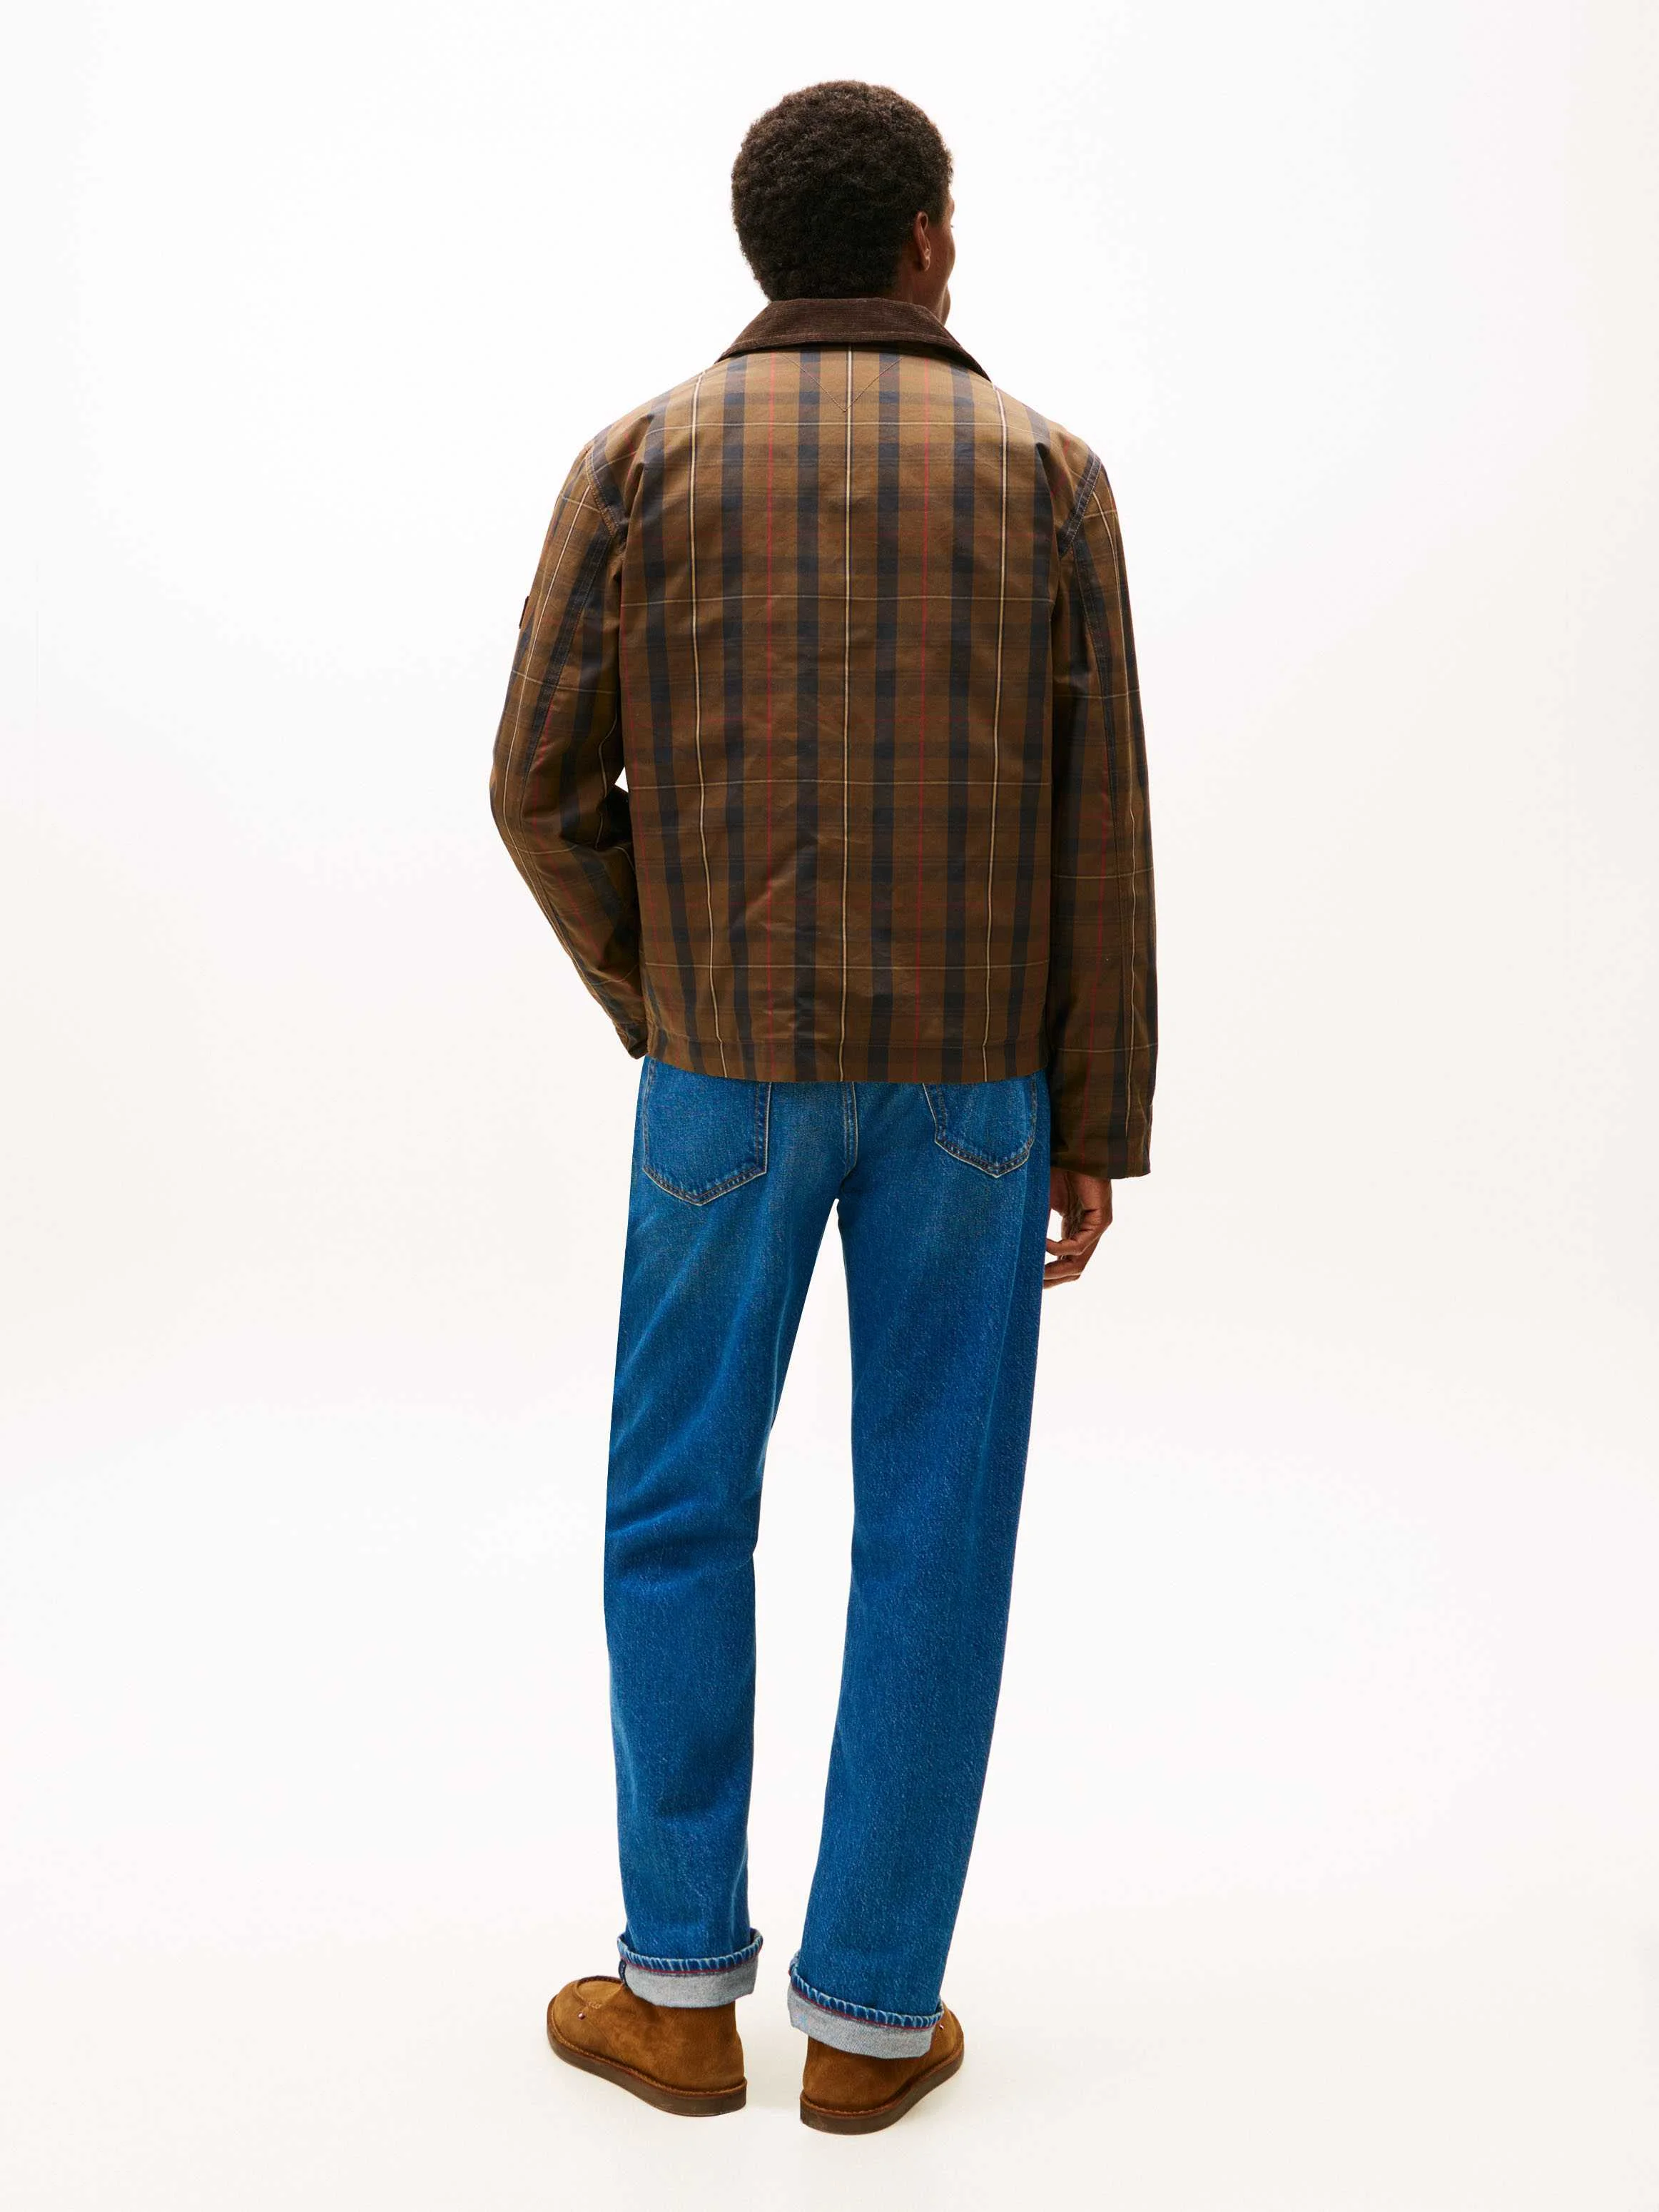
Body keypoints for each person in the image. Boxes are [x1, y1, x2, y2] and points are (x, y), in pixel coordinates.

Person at [489, 78, 1156, 2134]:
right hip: (975, 1091)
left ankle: (678, 1995)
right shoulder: (1047, 474)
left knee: (677, 1500)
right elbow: (1100, 834)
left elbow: (532, 786)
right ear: (928, 239)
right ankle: (870, 2023)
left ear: (761, 247)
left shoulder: (639, 461)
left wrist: (664, 992)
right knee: (935, 1519)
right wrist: (1092, 1116)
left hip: (726, 1076)